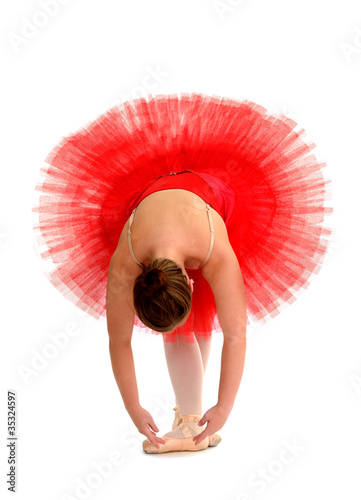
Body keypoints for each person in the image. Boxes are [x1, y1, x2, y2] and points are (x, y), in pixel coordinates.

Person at [32, 93, 333, 454]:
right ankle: (190, 417)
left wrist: (224, 408)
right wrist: (134, 407)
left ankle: (191, 420)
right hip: (159, 201)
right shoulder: (123, 264)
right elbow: (120, 342)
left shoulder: (215, 251)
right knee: (182, 330)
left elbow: (236, 335)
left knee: (188, 330)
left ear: (191, 280)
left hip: (213, 200)